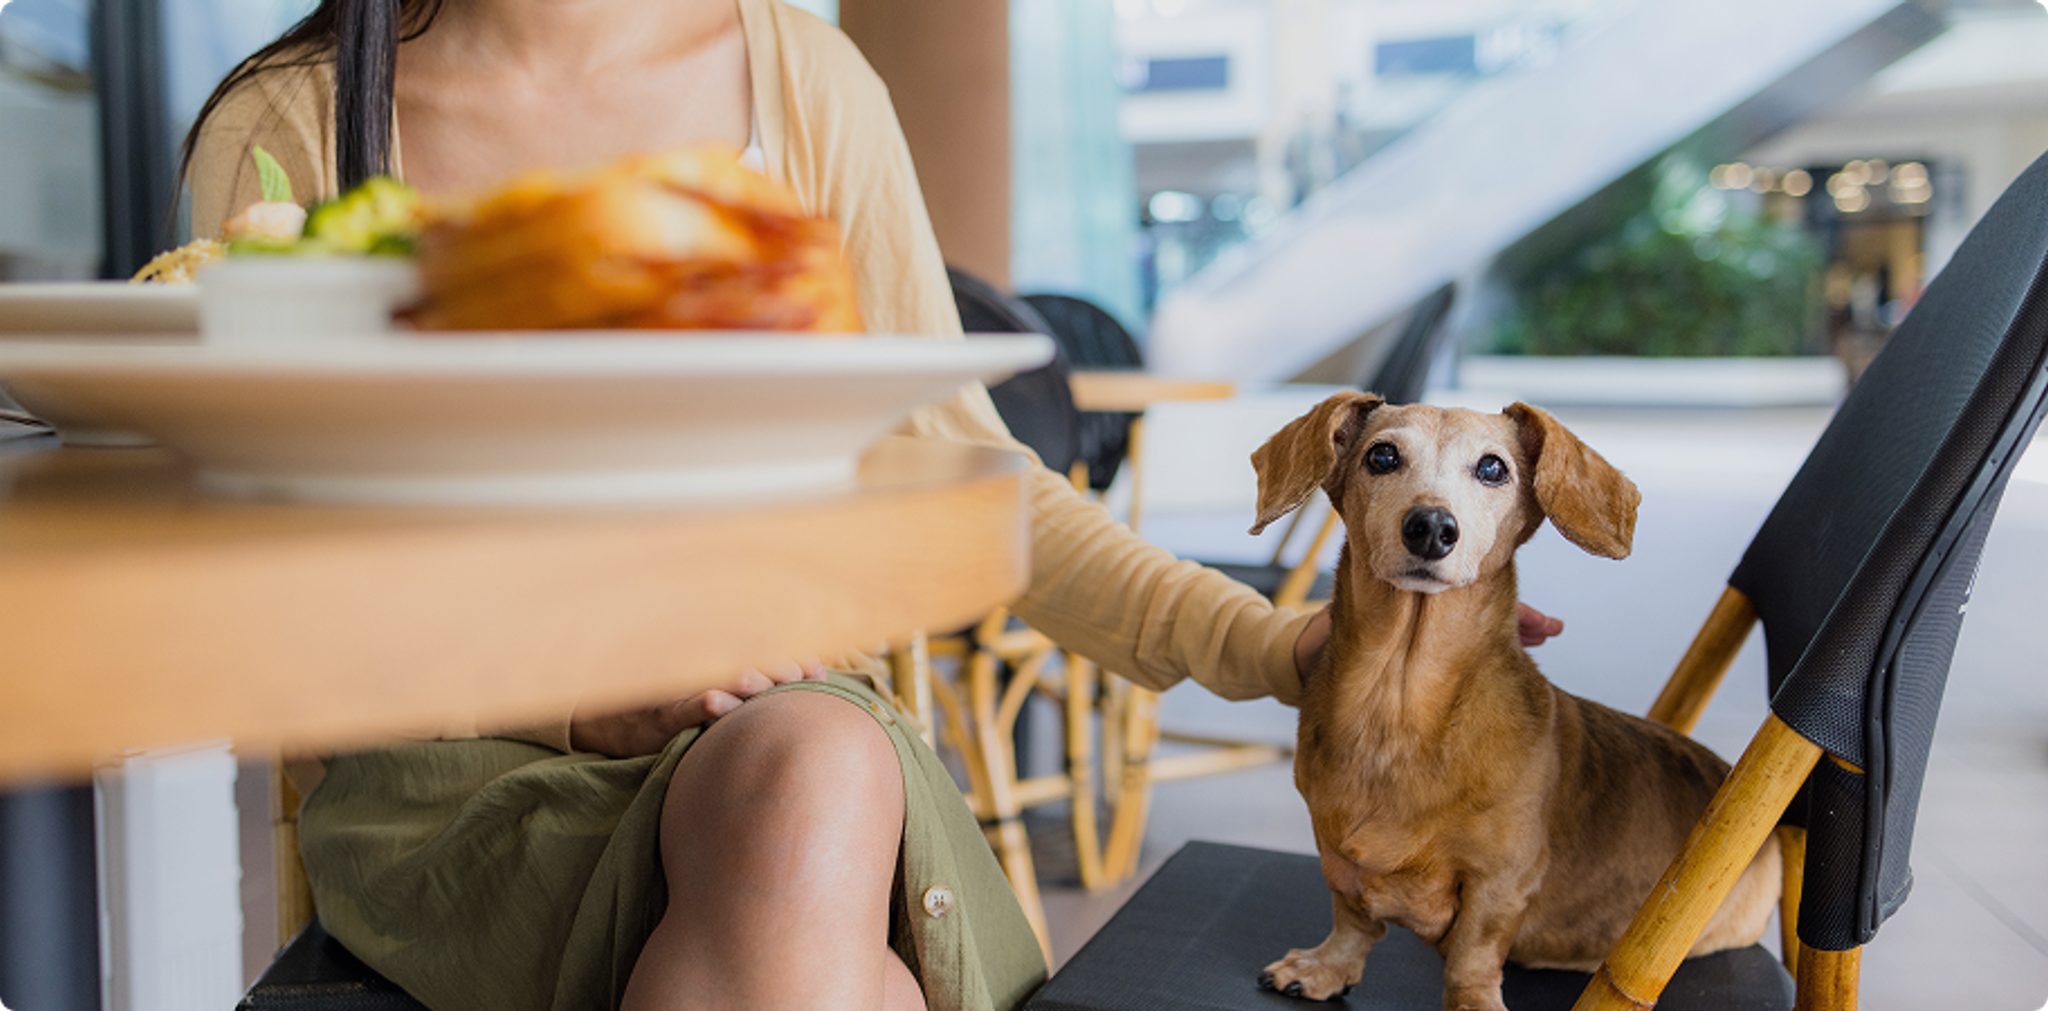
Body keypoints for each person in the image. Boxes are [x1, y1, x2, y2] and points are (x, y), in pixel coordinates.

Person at [185, 3, 1565, 1010]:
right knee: (851, 957)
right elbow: (262, 579)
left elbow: (971, 479)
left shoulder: (803, 79)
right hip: (455, 779)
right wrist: (577, 699)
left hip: (762, 738)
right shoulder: (296, 120)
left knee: (813, 770)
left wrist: (1277, 643)